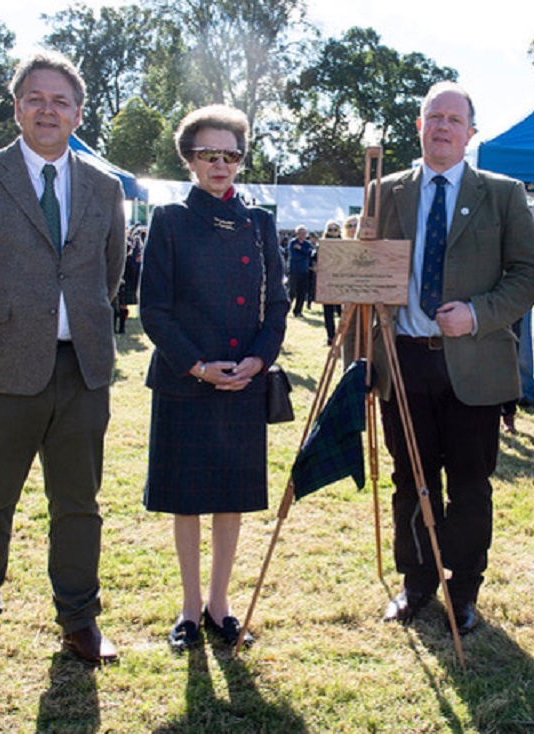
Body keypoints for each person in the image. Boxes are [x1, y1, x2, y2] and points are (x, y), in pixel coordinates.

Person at [0, 51, 126, 681]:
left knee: (79, 506)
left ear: (78, 113)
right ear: (17, 107)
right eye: (35, 99)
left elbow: (109, 275)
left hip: (82, 374)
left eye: (60, 101)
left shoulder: (104, 186)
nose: (48, 110)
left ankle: (80, 622)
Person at [373, 82, 534, 635]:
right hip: (403, 361)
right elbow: (364, 266)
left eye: (454, 119)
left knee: (470, 482)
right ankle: (417, 581)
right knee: (410, 479)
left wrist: (478, 312)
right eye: (432, 117)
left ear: (471, 132)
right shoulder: (386, 191)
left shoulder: (503, 192)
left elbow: (529, 274)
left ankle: (464, 588)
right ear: (419, 126)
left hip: (475, 363)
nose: (442, 127)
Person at [139, 104, 288, 652]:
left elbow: (278, 303)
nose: (220, 164)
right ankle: (187, 609)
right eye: (209, 155)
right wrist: (199, 366)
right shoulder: (171, 220)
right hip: (186, 379)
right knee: (186, 500)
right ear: (190, 160)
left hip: (244, 378)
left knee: (231, 498)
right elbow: (153, 309)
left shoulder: (261, 222)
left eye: (231, 155)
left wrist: (260, 358)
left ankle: (220, 605)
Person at [315, 220, 343, 345]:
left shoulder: (344, 244)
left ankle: (344, 335)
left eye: (335, 229)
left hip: (341, 281)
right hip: (326, 281)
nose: (333, 232)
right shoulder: (321, 245)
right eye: (330, 230)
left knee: (342, 311)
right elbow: (314, 259)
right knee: (328, 312)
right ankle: (331, 337)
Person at [286, 225, 313, 316]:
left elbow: (311, 254)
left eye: (304, 233)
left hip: (304, 271)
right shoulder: (293, 243)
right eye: (301, 233)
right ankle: (286, 308)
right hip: (294, 270)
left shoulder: (307, 243)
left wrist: (301, 249)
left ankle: (298, 311)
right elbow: (294, 257)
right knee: (292, 291)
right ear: (297, 233)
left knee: (302, 292)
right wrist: (305, 253)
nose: (303, 235)